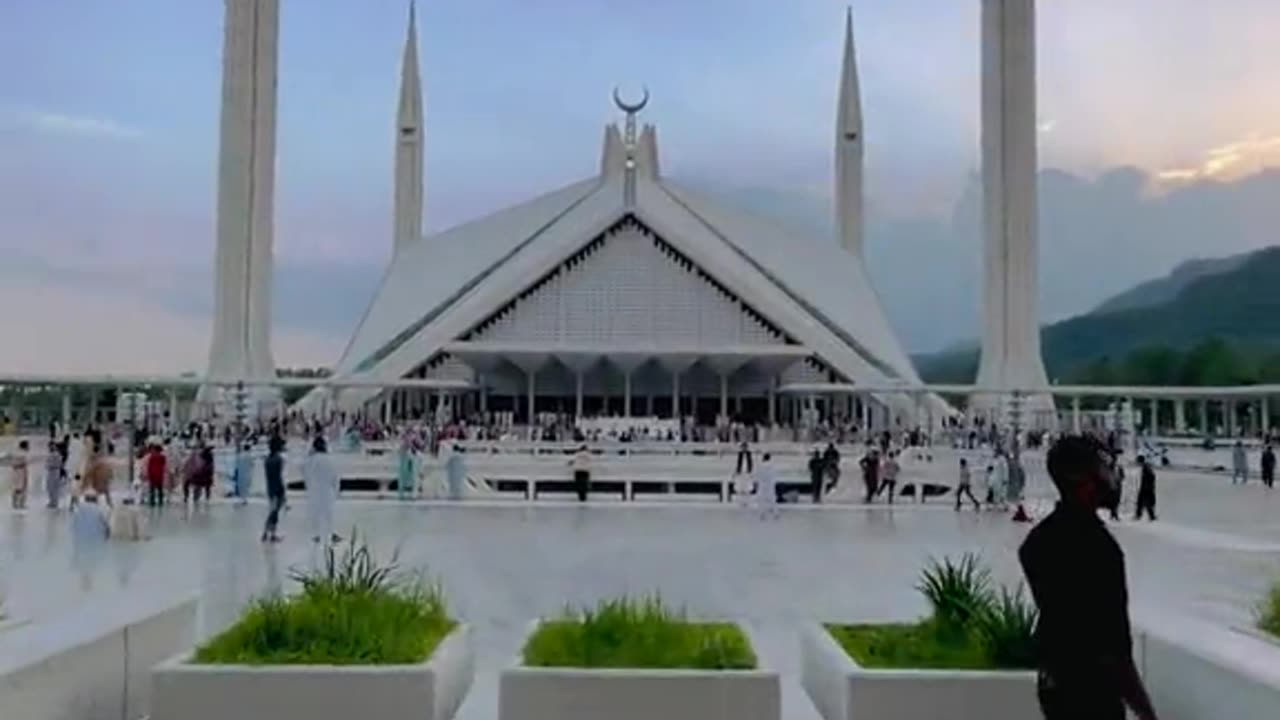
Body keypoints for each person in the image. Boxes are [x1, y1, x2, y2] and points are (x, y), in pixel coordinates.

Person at [1019, 435, 1160, 720]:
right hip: (1093, 694)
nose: (1111, 478)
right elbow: (1114, 648)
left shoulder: (1036, 543)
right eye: (1103, 469)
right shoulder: (1101, 551)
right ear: (1081, 479)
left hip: (1054, 686)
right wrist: (1146, 713)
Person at [70, 488, 111, 591]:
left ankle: (85, 580)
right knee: (92, 562)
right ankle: (87, 581)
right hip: (95, 541)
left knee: (83, 562)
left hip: (81, 541)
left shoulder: (78, 509)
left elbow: (73, 526)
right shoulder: (99, 510)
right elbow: (105, 525)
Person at [303, 435, 341, 544]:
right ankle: (331, 533)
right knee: (329, 514)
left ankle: (316, 535)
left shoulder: (311, 460)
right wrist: (337, 490)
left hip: (314, 490)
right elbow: (335, 477)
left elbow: (305, 473)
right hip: (328, 491)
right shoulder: (329, 459)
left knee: (315, 513)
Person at [261, 435, 286, 543]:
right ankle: (268, 533)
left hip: (270, 488)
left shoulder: (267, 460)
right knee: (274, 513)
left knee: (273, 511)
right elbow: (279, 475)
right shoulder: (279, 459)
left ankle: (269, 533)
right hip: (277, 489)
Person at [754, 452, 779, 519]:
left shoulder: (761, 465)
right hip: (770, 484)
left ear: (764, 458)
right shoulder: (773, 465)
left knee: (761, 500)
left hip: (763, 484)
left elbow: (757, 474)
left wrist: (757, 482)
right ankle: (776, 513)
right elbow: (774, 475)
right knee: (772, 499)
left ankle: (762, 514)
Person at [1134, 455, 1158, 522]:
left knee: (1146, 502)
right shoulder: (1145, 467)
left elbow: (1152, 476)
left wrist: (1147, 486)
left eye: (1138, 461)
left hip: (1146, 488)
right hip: (1146, 488)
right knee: (1141, 502)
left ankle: (1150, 516)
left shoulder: (1146, 467)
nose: (1137, 463)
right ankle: (1140, 515)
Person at [8, 440, 30, 509]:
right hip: (20, 472)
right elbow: (23, 463)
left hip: (17, 472)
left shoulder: (16, 452)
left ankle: (15, 503)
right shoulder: (22, 454)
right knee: (21, 488)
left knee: (17, 488)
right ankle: (20, 503)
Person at [144, 442, 167, 507]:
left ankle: (152, 502)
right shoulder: (162, 457)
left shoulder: (152, 457)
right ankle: (160, 502)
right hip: (160, 475)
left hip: (153, 475)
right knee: (160, 489)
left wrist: (148, 474)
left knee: (152, 490)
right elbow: (164, 465)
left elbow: (149, 466)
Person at [45, 439, 65, 509]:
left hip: (55, 471)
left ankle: (54, 502)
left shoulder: (56, 454)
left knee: (54, 487)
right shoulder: (51, 454)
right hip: (51, 471)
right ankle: (52, 501)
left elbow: (59, 464)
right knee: (50, 487)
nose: (50, 448)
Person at [232, 442, 254, 506]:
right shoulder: (250, 455)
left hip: (240, 473)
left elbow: (237, 464)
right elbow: (252, 464)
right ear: (249, 449)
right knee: (246, 487)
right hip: (247, 473)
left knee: (241, 486)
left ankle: (241, 499)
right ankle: (244, 500)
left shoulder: (240, 455)